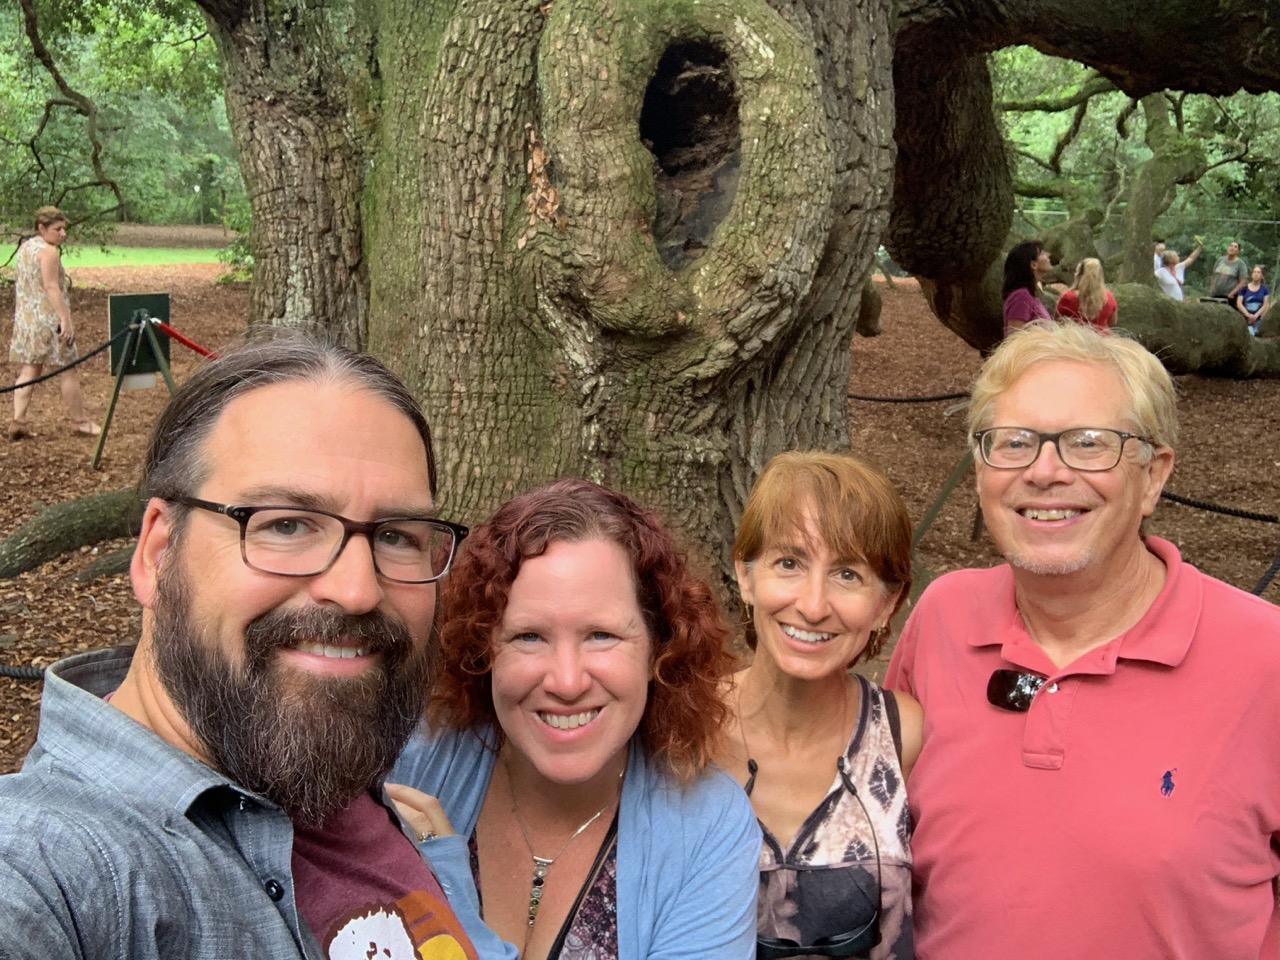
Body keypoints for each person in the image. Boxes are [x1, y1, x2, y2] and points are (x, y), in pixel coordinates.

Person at [0, 336, 502, 959]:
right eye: (285, 525)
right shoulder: (55, 866)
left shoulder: (323, 761)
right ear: (158, 553)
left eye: (397, 535)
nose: (357, 590)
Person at [886, 322, 1280, 959]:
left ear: (1153, 476)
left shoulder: (1265, 659)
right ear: (981, 469)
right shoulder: (943, 618)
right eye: (1015, 442)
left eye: (1088, 444)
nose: (1044, 472)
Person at [390, 478, 761, 960]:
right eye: (528, 636)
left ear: (659, 649)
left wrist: (444, 895)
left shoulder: (707, 827)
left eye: (601, 635)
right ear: (483, 649)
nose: (566, 682)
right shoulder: (411, 765)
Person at [717, 451, 922, 960]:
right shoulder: (679, 729)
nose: (812, 605)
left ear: (887, 604)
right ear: (745, 576)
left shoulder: (904, 735)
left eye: (847, 574)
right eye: (789, 563)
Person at [8, 205, 100, 440]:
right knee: (68, 368)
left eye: (64, 229)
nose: (63, 234)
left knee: (30, 369)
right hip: (50, 320)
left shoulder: (26, 248)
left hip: (28, 321)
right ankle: (80, 422)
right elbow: (51, 287)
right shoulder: (49, 252)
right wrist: (65, 319)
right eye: (57, 229)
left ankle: (18, 420)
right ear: (42, 228)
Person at [1001, 240, 1053, 335]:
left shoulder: (1030, 296)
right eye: (1042, 253)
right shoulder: (1021, 296)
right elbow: (1014, 338)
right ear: (1033, 264)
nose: (1048, 255)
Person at [1053, 257, 1117, 330]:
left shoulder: (1068, 297)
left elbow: (1057, 321)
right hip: (1102, 337)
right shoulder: (1109, 296)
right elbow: (1113, 322)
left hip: (1075, 336)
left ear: (1078, 274)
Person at [1236, 264, 1271, 336]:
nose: (1256, 274)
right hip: (1245, 319)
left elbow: (1265, 304)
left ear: (1262, 276)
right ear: (1251, 274)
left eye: (1258, 272)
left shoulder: (1265, 289)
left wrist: (1256, 316)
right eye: (1254, 272)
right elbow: (1239, 303)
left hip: (1258, 320)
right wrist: (1248, 315)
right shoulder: (1244, 288)